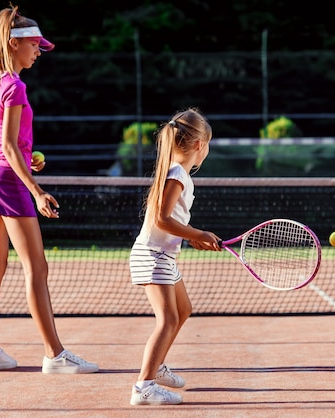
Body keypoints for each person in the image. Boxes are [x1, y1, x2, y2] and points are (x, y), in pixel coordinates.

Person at [0, 4, 98, 374]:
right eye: (35, 45)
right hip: (7, 183)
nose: (39, 52)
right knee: (37, 269)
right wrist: (36, 189)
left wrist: (22, 154)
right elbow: (7, 146)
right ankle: (56, 356)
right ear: (14, 44)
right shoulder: (15, 87)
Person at [129, 108, 222, 405]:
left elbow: (171, 221)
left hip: (163, 255)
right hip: (153, 256)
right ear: (199, 145)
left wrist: (191, 236)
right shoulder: (178, 173)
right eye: (207, 144)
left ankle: (155, 369)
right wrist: (197, 234)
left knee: (183, 310)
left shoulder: (175, 172)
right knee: (168, 319)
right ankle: (143, 387)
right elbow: (160, 219)